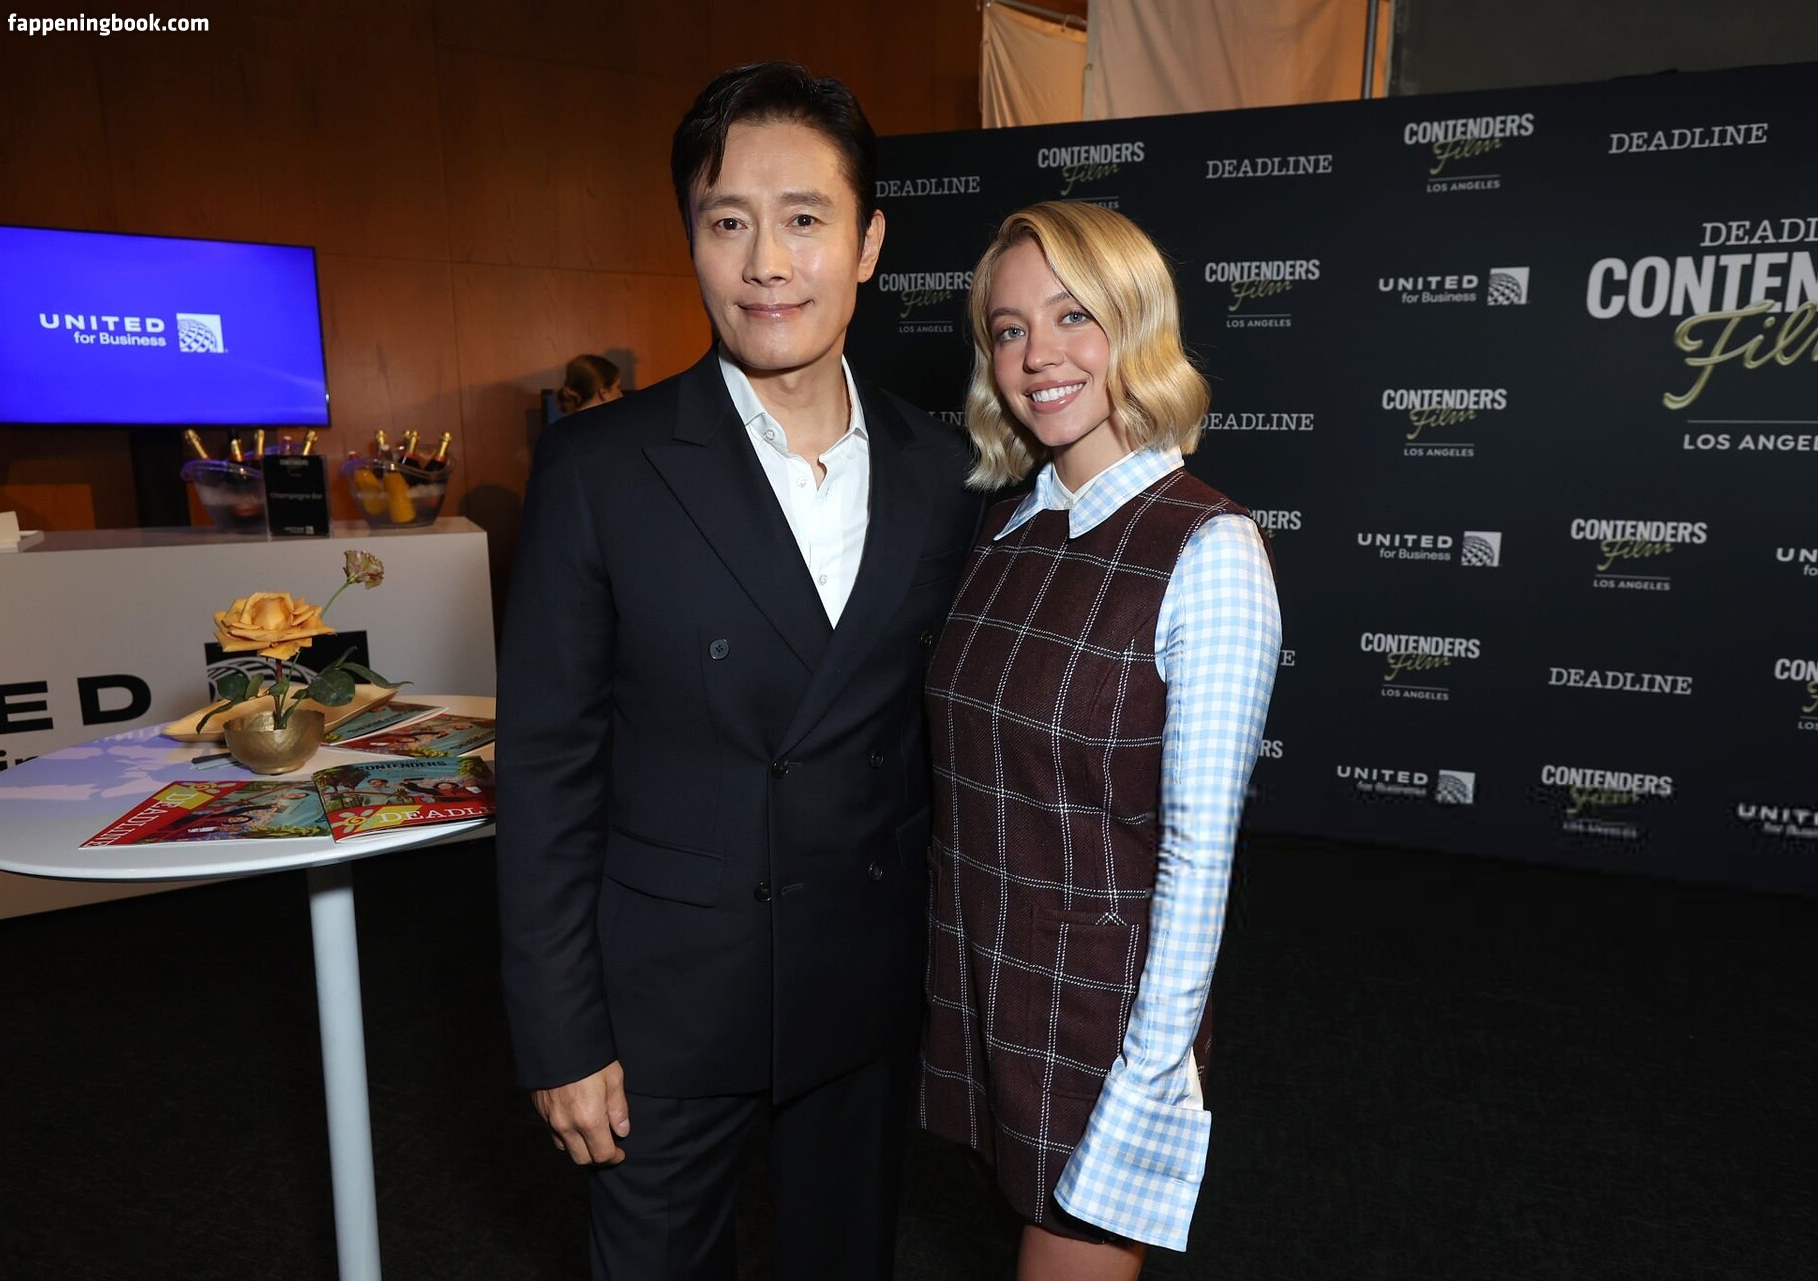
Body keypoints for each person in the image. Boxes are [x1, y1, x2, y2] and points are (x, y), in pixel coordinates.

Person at [496, 62, 983, 1281]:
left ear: (868, 244)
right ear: (692, 241)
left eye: (805, 219)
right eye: (728, 223)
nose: (768, 263)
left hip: (861, 991)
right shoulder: (601, 469)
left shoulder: (944, 473)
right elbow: (548, 771)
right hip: (663, 1009)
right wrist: (560, 1033)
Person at [919, 201, 1282, 1278]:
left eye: (1073, 315)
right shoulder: (1007, 528)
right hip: (980, 973)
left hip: (1099, 1019)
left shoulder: (1210, 549)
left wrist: (1149, 1082)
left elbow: (1198, 859)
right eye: (1010, 328)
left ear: (1136, 323)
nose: (1038, 355)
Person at [557, 354, 622, 414]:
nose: (621, 395)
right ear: (604, 392)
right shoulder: (615, 421)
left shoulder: (562, 422)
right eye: (617, 387)